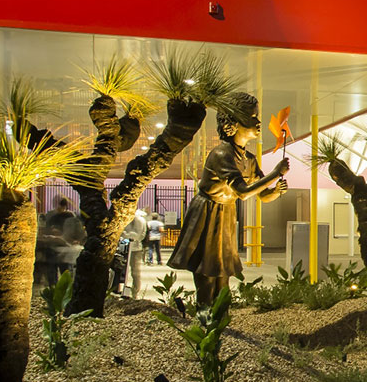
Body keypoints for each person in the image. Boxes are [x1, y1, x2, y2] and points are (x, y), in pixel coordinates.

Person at [169, 92, 289, 310]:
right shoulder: (221, 154)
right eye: (252, 118)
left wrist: (276, 191)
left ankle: (219, 317)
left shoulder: (249, 160)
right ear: (232, 124)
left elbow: (261, 195)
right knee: (206, 272)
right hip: (207, 214)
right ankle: (204, 315)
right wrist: (274, 174)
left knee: (223, 273)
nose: (258, 122)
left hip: (226, 214)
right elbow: (243, 192)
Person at [36, 196, 84, 287]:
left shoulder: (69, 216)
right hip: (55, 246)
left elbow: (75, 231)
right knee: (56, 269)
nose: (60, 208)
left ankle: (60, 287)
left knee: (62, 270)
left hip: (62, 247)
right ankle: (56, 287)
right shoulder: (52, 215)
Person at [119, 209, 149, 297]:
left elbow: (136, 235)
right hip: (130, 247)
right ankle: (131, 291)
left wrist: (124, 234)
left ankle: (134, 292)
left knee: (134, 272)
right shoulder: (138, 219)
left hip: (134, 248)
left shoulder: (138, 219)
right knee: (132, 271)